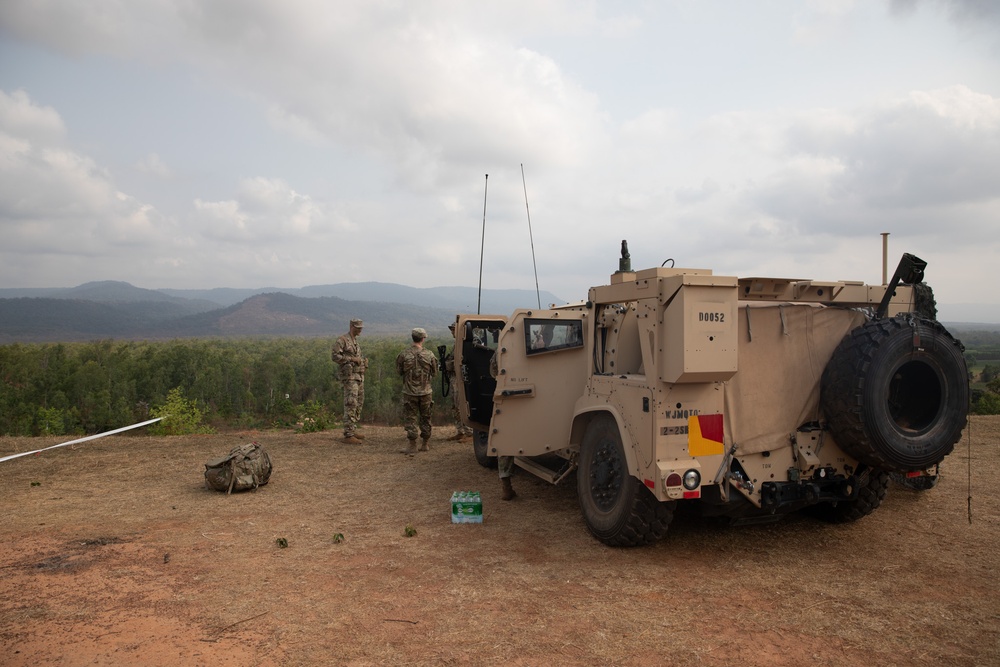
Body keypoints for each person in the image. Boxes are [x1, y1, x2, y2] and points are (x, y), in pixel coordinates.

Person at [396, 327, 438, 454]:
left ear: (412, 337)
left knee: (411, 418)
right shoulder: (430, 354)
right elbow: (435, 372)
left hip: (410, 392)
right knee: (426, 417)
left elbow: (399, 371)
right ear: (423, 339)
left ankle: (412, 444)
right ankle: (425, 444)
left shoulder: (403, 354)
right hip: (426, 392)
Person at [331, 318, 368, 444]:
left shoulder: (355, 341)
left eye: (361, 327)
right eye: (358, 327)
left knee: (359, 403)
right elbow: (335, 356)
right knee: (351, 403)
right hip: (350, 377)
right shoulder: (342, 340)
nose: (360, 329)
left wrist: (362, 362)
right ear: (352, 326)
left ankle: (352, 429)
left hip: (358, 376)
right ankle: (348, 434)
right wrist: (351, 359)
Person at [489, 351, 516, 501]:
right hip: (534, 394)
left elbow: (493, 371)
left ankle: (506, 485)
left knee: (504, 438)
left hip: (506, 395)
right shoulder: (540, 344)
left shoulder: (502, 349)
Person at [445, 322, 473, 442]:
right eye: (451, 329)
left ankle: (469, 432)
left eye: (453, 329)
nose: (452, 331)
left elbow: (464, 362)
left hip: (461, 379)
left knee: (462, 405)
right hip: (454, 379)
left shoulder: (465, 345)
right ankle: (460, 431)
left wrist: (449, 364)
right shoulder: (457, 344)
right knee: (455, 405)